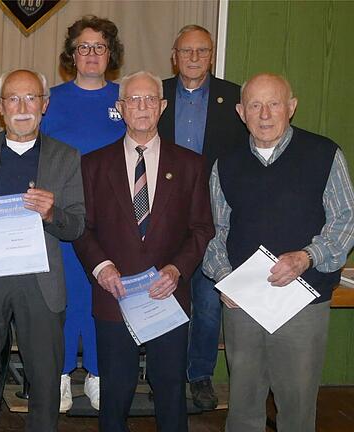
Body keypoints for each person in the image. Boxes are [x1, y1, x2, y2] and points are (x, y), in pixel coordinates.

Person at [204, 73, 354, 432]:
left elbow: (345, 220)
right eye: (255, 105)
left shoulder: (324, 154)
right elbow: (214, 230)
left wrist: (307, 256)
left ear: (292, 106)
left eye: (274, 103)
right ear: (241, 112)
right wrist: (225, 279)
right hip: (243, 304)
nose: (265, 113)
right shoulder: (225, 164)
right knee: (242, 406)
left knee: (297, 406)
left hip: (302, 300)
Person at [73, 71, 214, 432]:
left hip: (167, 296)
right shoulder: (92, 165)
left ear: (163, 106)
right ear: (120, 107)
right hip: (114, 296)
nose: (142, 107)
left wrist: (177, 270)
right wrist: (101, 267)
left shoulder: (190, 165)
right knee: (115, 395)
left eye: (150, 99)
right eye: (134, 99)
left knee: (170, 393)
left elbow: (202, 228)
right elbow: (81, 228)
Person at [0, 69, 85, 432]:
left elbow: (76, 224)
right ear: (0, 107)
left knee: (45, 381)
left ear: (44, 104)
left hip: (40, 280)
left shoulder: (66, 157)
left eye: (31, 98)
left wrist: (52, 213)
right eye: (13, 98)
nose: (22, 106)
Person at [157, 24, 248, 410]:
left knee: (209, 305)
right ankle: (163, 373)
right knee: (163, 297)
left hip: (216, 219)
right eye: (186, 51)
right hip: (162, 215)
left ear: (211, 56)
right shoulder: (154, 95)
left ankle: (200, 376)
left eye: (202, 51)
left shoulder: (235, 98)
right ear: (174, 56)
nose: (194, 58)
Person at [40, 15, 126, 411]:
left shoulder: (126, 100)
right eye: (83, 47)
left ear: (111, 54)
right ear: (71, 54)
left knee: (102, 294)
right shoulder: (50, 100)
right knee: (62, 295)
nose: (91, 54)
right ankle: (57, 375)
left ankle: (96, 372)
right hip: (60, 217)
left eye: (99, 47)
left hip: (109, 219)